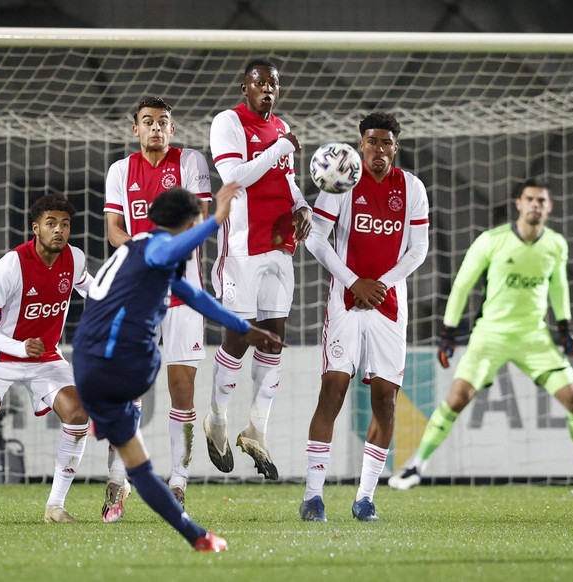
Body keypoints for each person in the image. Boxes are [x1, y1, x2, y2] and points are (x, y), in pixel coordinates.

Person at [72, 185, 285, 552]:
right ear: (190, 224)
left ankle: (198, 537)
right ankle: (110, 408)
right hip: (115, 365)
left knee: (139, 468)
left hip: (90, 367)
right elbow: (170, 249)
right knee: (156, 357)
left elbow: (195, 296)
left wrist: (244, 329)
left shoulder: (139, 249)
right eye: (197, 223)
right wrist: (216, 219)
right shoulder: (156, 248)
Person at [388, 178, 573, 493]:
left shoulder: (556, 244)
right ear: (518, 204)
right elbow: (462, 285)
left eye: (542, 200)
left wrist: (565, 330)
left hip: (534, 338)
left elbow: (559, 288)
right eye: (530, 199)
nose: (536, 205)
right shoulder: (491, 241)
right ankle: (415, 467)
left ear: (549, 207)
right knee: (456, 399)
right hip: (490, 336)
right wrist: (447, 333)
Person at [298, 113, 430, 523]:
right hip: (345, 302)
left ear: (396, 147)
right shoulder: (340, 179)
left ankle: (366, 497)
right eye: (371, 142)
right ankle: (313, 497)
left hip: (389, 306)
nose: (378, 149)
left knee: (386, 401)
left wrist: (382, 285)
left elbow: (418, 249)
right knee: (333, 391)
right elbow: (315, 240)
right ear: (360, 145)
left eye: (386, 142)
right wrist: (355, 283)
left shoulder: (412, 188)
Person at [0, 194, 93, 525]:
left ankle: (55, 506)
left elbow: (91, 290)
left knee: (78, 414)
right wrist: (18, 346)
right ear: (35, 228)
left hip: (45, 357)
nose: (59, 231)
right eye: (51, 223)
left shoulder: (75, 259)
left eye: (65, 224)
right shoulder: (12, 265)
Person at [101, 97, 212, 519]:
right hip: (136, 293)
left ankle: (178, 482)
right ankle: (118, 480)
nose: (155, 128)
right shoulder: (120, 171)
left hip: (183, 291)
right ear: (135, 129)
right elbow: (113, 229)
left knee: (182, 388)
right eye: (148, 122)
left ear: (172, 128)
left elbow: (201, 220)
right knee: (127, 387)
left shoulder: (190, 162)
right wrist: (142, 253)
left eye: (163, 122)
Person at [205, 57, 312, 480]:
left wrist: (302, 206)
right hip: (241, 249)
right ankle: (216, 419)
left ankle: (257, 429)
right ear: (244, 86)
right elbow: (235, 178)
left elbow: (286, 180)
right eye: (259, 82)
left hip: (280, 246)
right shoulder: (228, 122)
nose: (267, 89)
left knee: (275, 341)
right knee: (240, 335)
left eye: (273, 83)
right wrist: (281, 148)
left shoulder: (281, 128)